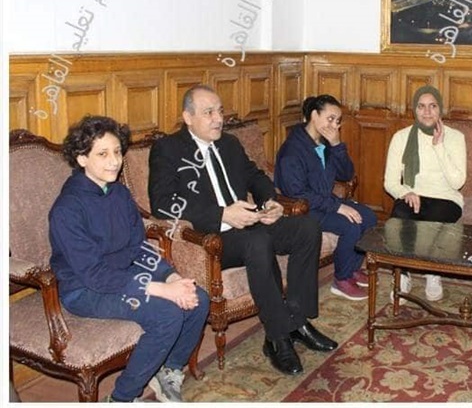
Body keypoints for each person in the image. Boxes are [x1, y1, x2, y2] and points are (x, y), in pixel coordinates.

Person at [149, 85, 337, 377]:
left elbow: (255, 176)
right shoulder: (169, 150)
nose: (218, 119)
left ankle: (297, 320)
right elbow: (162, 204)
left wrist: (269, 201)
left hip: (249, 223)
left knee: (307, 227)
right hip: (211, 238)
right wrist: (222, 214)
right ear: (188, 117)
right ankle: (277, 336)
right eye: (208, 112)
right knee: (257, 240)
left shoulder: (229, 143)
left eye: (220, 111)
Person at [49, 115, 209, 403]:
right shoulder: (67, 209)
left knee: (199, 298)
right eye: (102, 154)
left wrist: (171, 276)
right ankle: (123, 397)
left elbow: (139, 247)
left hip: (125, 275)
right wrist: (161, 289)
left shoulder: (119, 193)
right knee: (167, 314)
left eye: (117, 152)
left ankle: (169, 370)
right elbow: (95, 275)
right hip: (85, 289)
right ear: (81, 159)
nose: (114, 162)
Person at [274, 95, 377, 301]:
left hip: (324, 202)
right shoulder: (292, 150)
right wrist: (338, 207)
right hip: (303, 209)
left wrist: (337, 145)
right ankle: (341, 279)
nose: (334, 126)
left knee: (369, 217)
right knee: (351, 225)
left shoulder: (325, 143)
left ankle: (351, 267)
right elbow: (297, 193)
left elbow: (346, 174)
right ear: (314, 115)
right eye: (330, 119)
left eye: (337, 121)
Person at [383, 85, 467, 302]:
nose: (427, 112)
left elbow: (457, 182)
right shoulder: (401, 137)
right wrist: (406, 192)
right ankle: (403, 274)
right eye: (421, 106)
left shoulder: (455, 137)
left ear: (440, 109)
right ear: (415, 109)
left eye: (433, 106)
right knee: (401, 213)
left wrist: (439, 147)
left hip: (446, 197)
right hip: (413, 194)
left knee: (435, 217)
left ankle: (432, 271)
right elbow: (390, 182)